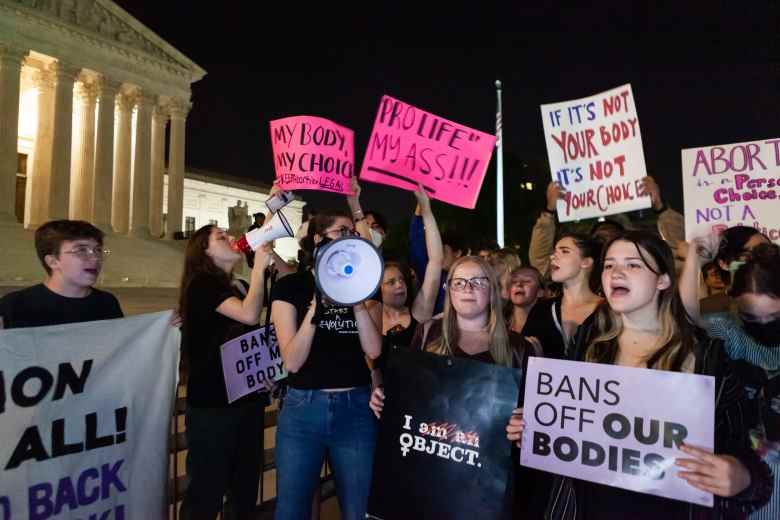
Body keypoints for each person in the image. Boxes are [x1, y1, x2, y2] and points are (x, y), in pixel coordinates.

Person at [508, 231, 773, 519]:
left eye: (633, 264)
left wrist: (740, 477)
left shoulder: (707, 358)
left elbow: (754, 466)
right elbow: (564, 437)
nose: (616, 272)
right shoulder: (587, 344)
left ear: (663, 279)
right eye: (609, 265)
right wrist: (536, 427)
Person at [370, 255, 541, 515]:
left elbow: (533, 417)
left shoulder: (519, 347)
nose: (468, 289)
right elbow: (409, 400)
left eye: (477, 281)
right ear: (449, 290)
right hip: (430, 477)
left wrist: (524, 425)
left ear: (492, 289)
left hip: (487, 486)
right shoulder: (427, 334)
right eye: (459, 282)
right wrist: (386, 400)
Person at [270, 208, 382, 520]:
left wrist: (357, 301)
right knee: (292, 509)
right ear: (319, 240)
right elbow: (292, 361)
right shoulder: (289, 287)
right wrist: (317, 306)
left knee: (359, 508)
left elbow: (373, 349)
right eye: (341, 232)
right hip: (303, 410)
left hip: (356, 409)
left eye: (353, 233)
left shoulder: (365, 286)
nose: (350, 238)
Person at [178, 224, 273, 520]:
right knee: (206, 492)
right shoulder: (202, 285)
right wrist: (259, 268)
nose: (232, 239)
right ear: (203, 252)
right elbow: (248, 313)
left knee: (243, 491)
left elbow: (248, 338)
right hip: (213, 407)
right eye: (221, 237)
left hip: (247, 400)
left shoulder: (239, 286)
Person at [681, 235, 780, 519]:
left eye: (774, 316)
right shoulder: (730, 330)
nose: (763, 325)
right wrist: (694, 258)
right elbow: (690, 313)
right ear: (735, 303)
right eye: (753, 317)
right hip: (744, 478)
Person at [529, 176, 683, 275]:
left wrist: (660, 207)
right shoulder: (579, 269)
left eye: (612, 233)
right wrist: (549, 211)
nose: (606, 236)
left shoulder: (644, 264)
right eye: (601, 233)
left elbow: (681, 254)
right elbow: (540, 262)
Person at [0, 220, 122, 329]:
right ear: (52, 261)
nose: (95, 258)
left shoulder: (107, 303)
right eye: (81, 250)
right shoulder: (14, 305)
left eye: (98, 250)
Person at [521, 233, 602, 359]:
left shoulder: (609, 312)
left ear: (585, 262)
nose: (552, 256)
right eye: (554, 252)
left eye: (564, 251)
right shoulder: (542, 310)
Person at [382, 185, 442, 350]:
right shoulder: (369, 315)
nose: (400, 285)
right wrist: (354, 204)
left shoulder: (419, 314)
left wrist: (427, 210)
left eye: (401, 279)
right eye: (391, 282)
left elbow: (436, 261)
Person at [507, 266, 544, 334]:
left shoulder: (548, 325)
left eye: (527, 281)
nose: (519, 284)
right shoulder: (499, 322)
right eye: (514, 281)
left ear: (540, 292)